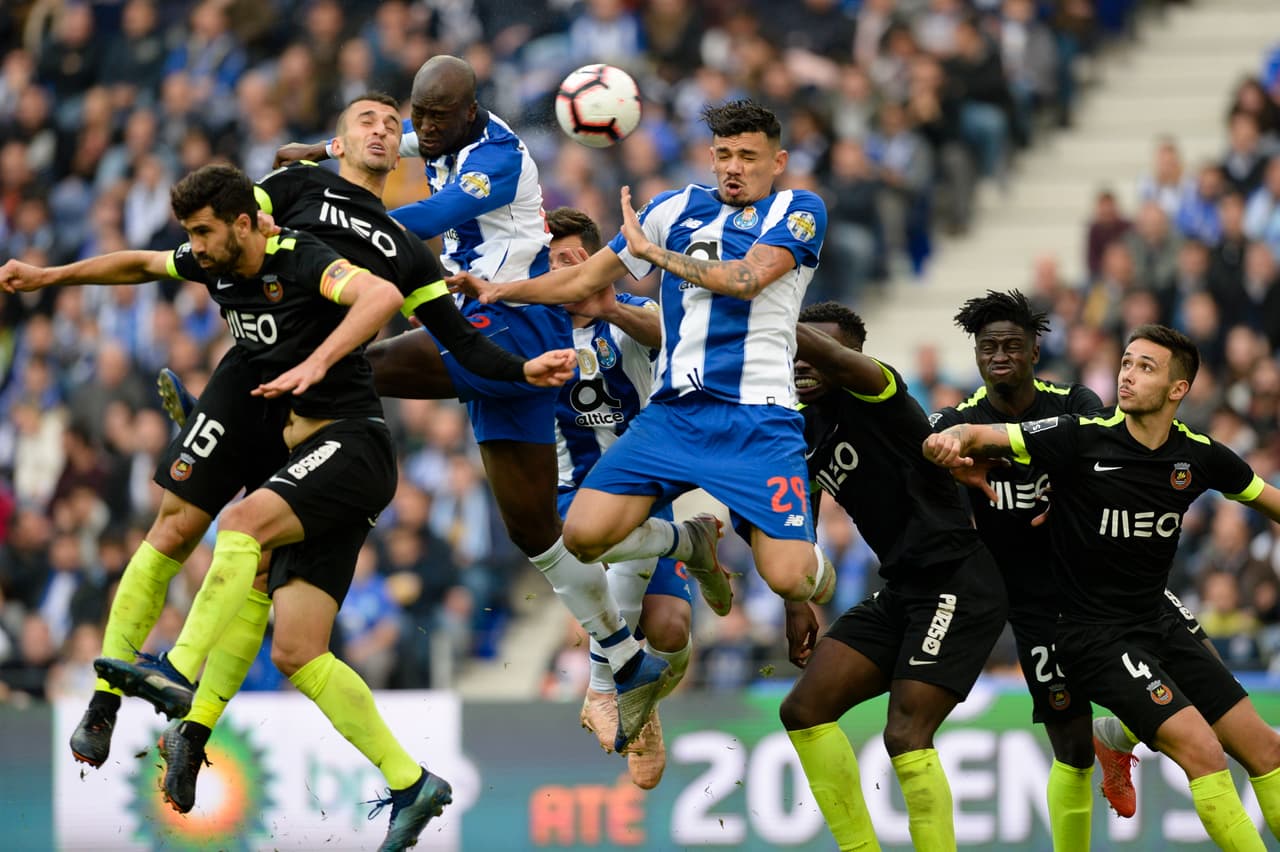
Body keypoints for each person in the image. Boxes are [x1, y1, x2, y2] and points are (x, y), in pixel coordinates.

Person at [61, 93, 575, 811]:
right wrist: (50, 276)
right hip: (256, 377)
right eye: (366, 119)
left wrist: (521, 369)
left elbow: (460, 341)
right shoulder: (296, 189)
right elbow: (216, 234)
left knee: (256, 562)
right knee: (184, 532)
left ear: (400, 154)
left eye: (392, 124)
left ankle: (190, 717)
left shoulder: (403, 245)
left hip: (325, 409)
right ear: (339, 141)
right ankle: (109, 703)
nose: (383, 128)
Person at [0, 164, 451, 850]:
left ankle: (179, 676)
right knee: (297, 649)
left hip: (349, 444)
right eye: (191, 233)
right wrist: (49, 276)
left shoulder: (303, 256)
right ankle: (410, 782)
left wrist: (319, 362)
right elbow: (142, 263)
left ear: (245, 222)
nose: (196, 245)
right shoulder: (215, 258)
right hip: (304, 448)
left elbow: (382, 295)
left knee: (239, 525)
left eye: (204, 231)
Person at [277, 56, 670, 750]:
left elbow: (433, 216)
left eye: (438, 117)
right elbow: (400, 141)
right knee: (534, 532)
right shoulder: (438, 133)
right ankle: (627, 654)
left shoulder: (498, 158)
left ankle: (267, 428)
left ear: (470, 111)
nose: (424, 129)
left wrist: (335, 226)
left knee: (359, 360)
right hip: (483, 319)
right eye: (419, 115)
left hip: (509, 323)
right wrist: (324, 148)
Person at [452, 101, 837, 673]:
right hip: (673, 414)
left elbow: (746, 279)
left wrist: (653, 253)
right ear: (711, 157)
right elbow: (584, 281)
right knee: (581, 536)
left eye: (749, 157)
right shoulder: (672, 208)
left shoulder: (798, 209)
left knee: (791, 578)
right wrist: (498, 291)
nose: (734, 167)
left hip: (757, 417)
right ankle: (690, 543)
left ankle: (816, 567)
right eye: (724, 155)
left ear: (777, 162)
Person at [924, 324, 1280, 850]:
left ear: (1178, 389)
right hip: (1092, 634)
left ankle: (1118, 734)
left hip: (1156, 617)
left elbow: (1266, 497)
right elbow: (980, 435)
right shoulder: (1079, 437)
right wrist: (948, 440)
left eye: (1145, 367)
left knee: (1267, 750)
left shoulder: (1198, 455)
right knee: (1204, 752)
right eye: (1126, 362)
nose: (1127, 375)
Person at [776, 302, 1008, 852]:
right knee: (802, 710)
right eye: (794, 351)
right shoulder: (801, 428)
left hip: (957, 582)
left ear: (851, 356)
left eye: (815, 350)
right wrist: (795, 599)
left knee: (905, 733)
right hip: (903, 590)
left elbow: (838, 362)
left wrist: (774, 315)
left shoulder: (879, 392)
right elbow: (799, 518)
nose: (802, 362)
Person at [542, 207, 694, 790]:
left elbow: (669, 336)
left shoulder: (629, 314)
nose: (562, 271)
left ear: (599, 262)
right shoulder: (532, 324)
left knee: (673, 630)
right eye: (551, 263)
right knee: (618, 544)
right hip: (568, 492)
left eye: (573, 260)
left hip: (640, 483)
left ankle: (637, 699)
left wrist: (607, 306)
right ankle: (611, 689)